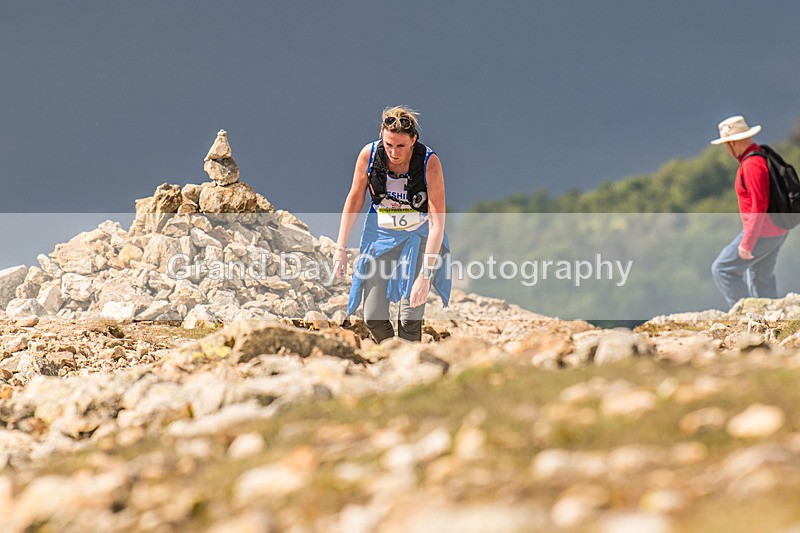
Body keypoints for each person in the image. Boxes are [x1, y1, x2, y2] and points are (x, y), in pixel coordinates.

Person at [334, 106, 450, 342]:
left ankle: (412, 366)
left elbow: (437, 222)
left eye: (401, 146)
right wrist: (340, 248)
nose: (394, 152)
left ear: (413, 140)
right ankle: (390, 357)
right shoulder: (369, 155)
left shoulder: (429, 162)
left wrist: (425, 276)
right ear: (381, 136)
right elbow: (355, 199)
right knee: (373, 317)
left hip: (419, 238)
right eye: (388, 144)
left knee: (409, 317)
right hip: (381, 237)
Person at [710, 115, 788, 308]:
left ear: (732, 144)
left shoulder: (751, 165)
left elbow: (759, 206)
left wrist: (747, 243)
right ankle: (771, 320)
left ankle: (747, 315)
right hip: (778, 229)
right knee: (762, 276)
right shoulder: (762, 155)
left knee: (723, 268)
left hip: (762, 231)